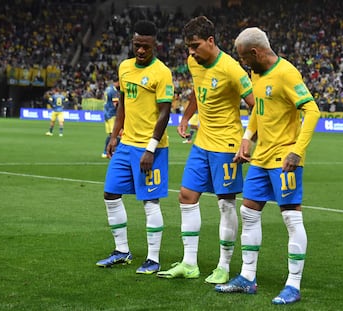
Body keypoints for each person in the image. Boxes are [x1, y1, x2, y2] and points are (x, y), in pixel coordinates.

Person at [215, 27, 320, 305]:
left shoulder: (286, 74)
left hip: (285, 159)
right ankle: (248, 278)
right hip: (261, 158)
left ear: (255, 52)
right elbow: (259, 112)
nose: (241, 63)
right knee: (248, 212)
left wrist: (297, 151)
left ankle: (293, 285)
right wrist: (247, 138)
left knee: (290, 217)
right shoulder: (256, 73)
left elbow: (312, 110)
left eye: (242, 57)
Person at [157, 16, 254, 284]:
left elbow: (256, 104)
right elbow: (198, 93)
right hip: (202, 141)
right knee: (187, 196)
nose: (190, 52)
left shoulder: (232, 69)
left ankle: (223, 265)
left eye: (195, 46)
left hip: (226, 144)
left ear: (210, 42)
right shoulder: (193, 62)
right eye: (188, 47)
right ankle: (190, 263)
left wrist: (248, 138)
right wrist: (187, 117)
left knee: (225, 204)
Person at [96, 20, 174, 275]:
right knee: (111, 194)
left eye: (146, 47)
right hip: (126, 144)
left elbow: (165, 113)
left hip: (151, 147)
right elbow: (123, 106)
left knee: (150, 201)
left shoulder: (162, 72)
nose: (141, 51)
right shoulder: (125, 67)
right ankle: (121, 251)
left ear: (155, 45)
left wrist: (151, 148)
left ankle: (153, 258)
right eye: (137, 45)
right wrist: (114, 135)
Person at [101, 78, 120, 158]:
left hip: (106, 114)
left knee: (111, 135)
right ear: (118, 82)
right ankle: (108, 151)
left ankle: (107, 152)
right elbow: (116, 104)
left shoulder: (107, 89)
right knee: (116, 135)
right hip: (112, 114)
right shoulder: (114, 91)